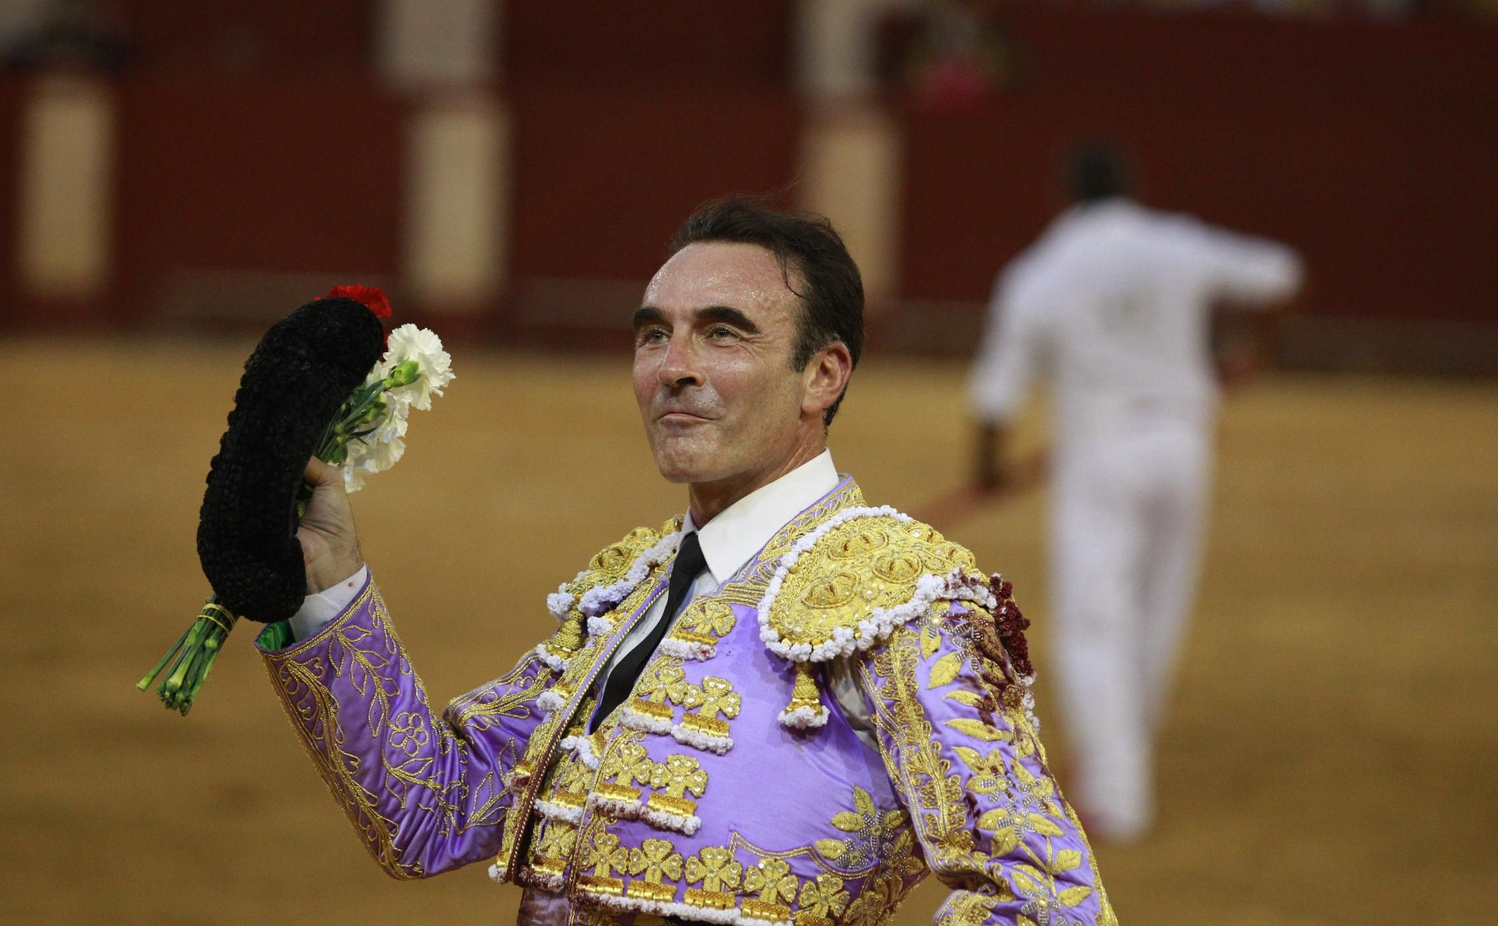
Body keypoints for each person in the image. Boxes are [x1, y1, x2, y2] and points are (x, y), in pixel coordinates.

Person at [261, 197, 1117, 925]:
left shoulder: (903, 602)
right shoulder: (628, 591)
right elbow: (433, 807)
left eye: (722, 335)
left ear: (823, 374)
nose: (673, 369)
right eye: (653, 336)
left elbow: (1047, 899)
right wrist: (327, 577)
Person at [969, 145, 1303, 842]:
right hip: (1183, 440)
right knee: (1158, 603)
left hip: (1099, 450)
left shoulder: (1043, 270)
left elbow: (997, 393)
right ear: (1130, 187)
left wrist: (989, 468)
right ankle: (1121, 753)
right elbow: (1281, 276)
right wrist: (1247, 356)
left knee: (1096, 619)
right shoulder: (1174, 242)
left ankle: (1116, 791)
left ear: (1065, 196)